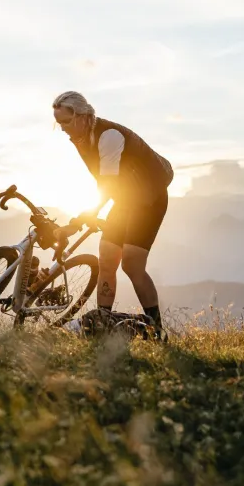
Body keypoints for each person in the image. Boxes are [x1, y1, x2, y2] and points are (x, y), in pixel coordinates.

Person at [50, 91, 173, 338]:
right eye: (58, 123)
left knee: (131, 264)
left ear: (82, 116)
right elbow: (104, 183)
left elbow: (106, 185)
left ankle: (158, 332)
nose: (62, 128)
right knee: (106, 258)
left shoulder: (109, 136)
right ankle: (102, 325)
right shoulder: (80, 137)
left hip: (149, 198)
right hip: (125, 198)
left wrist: (81, 219)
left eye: (66, 121)